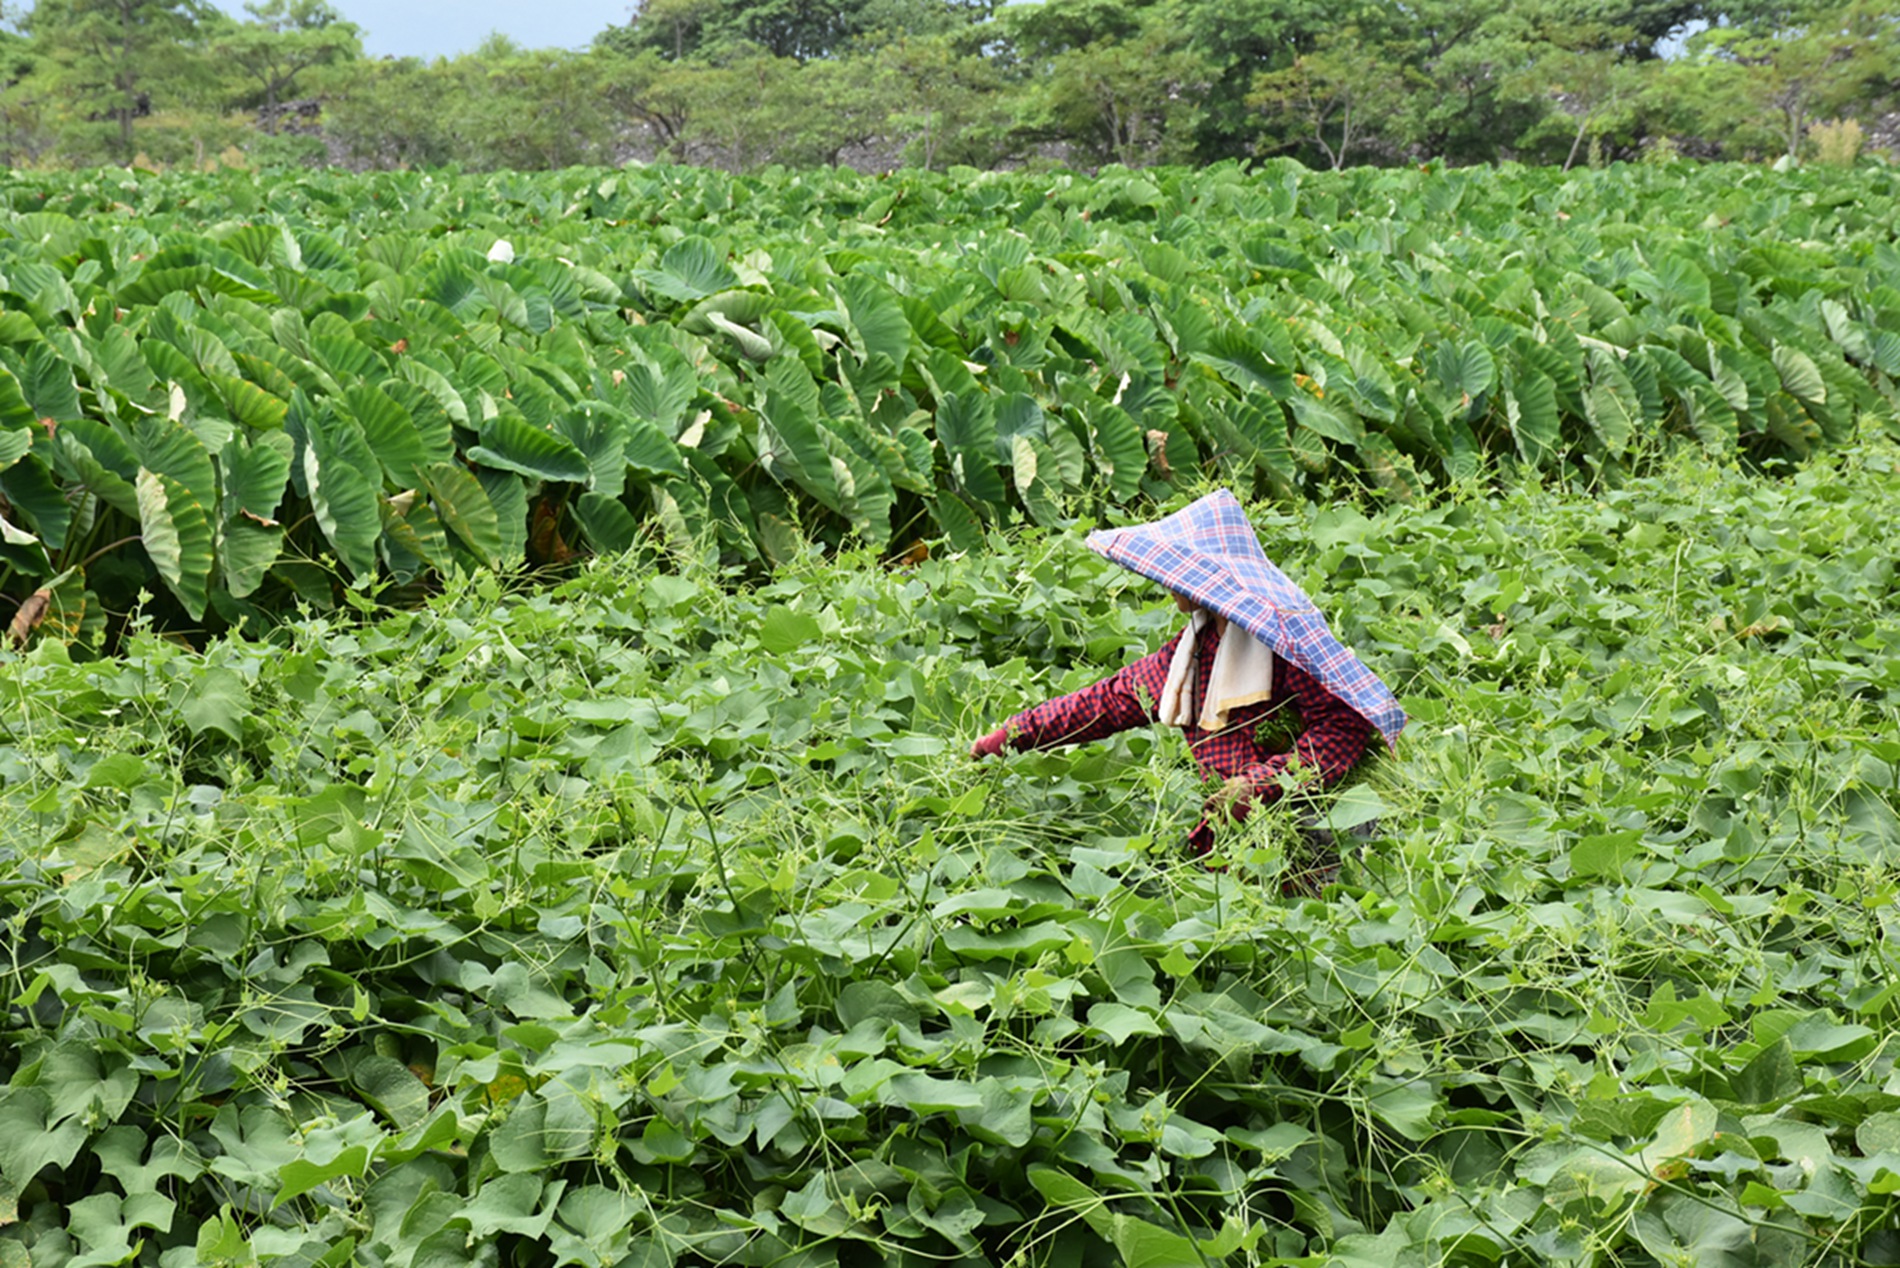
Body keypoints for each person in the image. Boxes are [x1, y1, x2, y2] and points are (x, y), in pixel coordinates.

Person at [968, 489, 1404, 891]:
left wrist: (1260, 785)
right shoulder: (1194, 647)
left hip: (1310, 831)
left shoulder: (1282, 637)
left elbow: (1343, 729)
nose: (1170, 579)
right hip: (1236, 837)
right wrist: (1014, 735)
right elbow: (1111, 699)